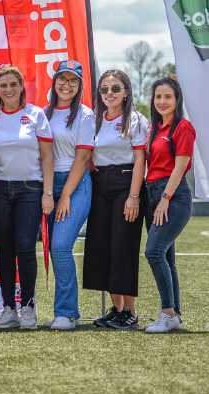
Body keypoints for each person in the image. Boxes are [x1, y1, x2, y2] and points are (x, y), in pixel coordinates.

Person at [0, 65, 54, 330]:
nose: (9, 90)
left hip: (30, 190)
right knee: (5, 249)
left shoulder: (35, 115)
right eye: (3, 86)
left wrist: (47, 192)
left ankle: (28, 306)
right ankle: (9, 308)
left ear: (21, 86)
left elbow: (47, 156)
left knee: (25, 247)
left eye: (13, 84)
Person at [84, 70, 148, 330]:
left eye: (115, 89)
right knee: (102, 246)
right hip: (100, 186)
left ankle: (131, 313)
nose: (109, 94)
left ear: (126, 92)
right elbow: (88, 152)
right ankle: (117, 309)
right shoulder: (95, 120)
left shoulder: (135, 119)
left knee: (123, 247)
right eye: (104, 90)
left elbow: (140, 160)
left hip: (126, 184)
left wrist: (133, 197)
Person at [44, 60, 96, 331]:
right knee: (54, 248)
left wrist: (64, 195)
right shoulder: (44, 113)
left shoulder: (85, 115)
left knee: (61, 246)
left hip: (76, 185)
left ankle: (67, 313)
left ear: (79, 86)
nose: (66, 85)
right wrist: (48, 191)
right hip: (50, 184)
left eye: (73, 81)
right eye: (62, 79)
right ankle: (63, 311)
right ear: (54, 82)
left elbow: (83, 157)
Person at [143, 78, 195, 333]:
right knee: (166, 257)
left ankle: (167, 313)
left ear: (177, 100)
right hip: (152, 192)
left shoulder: (182, 127)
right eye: (158, 97)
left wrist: (165, 198)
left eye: (168, 97)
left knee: (153, 252)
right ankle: (175, 314)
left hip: (173, 196)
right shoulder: (155, 128)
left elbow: (180, 166)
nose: (162, 101)